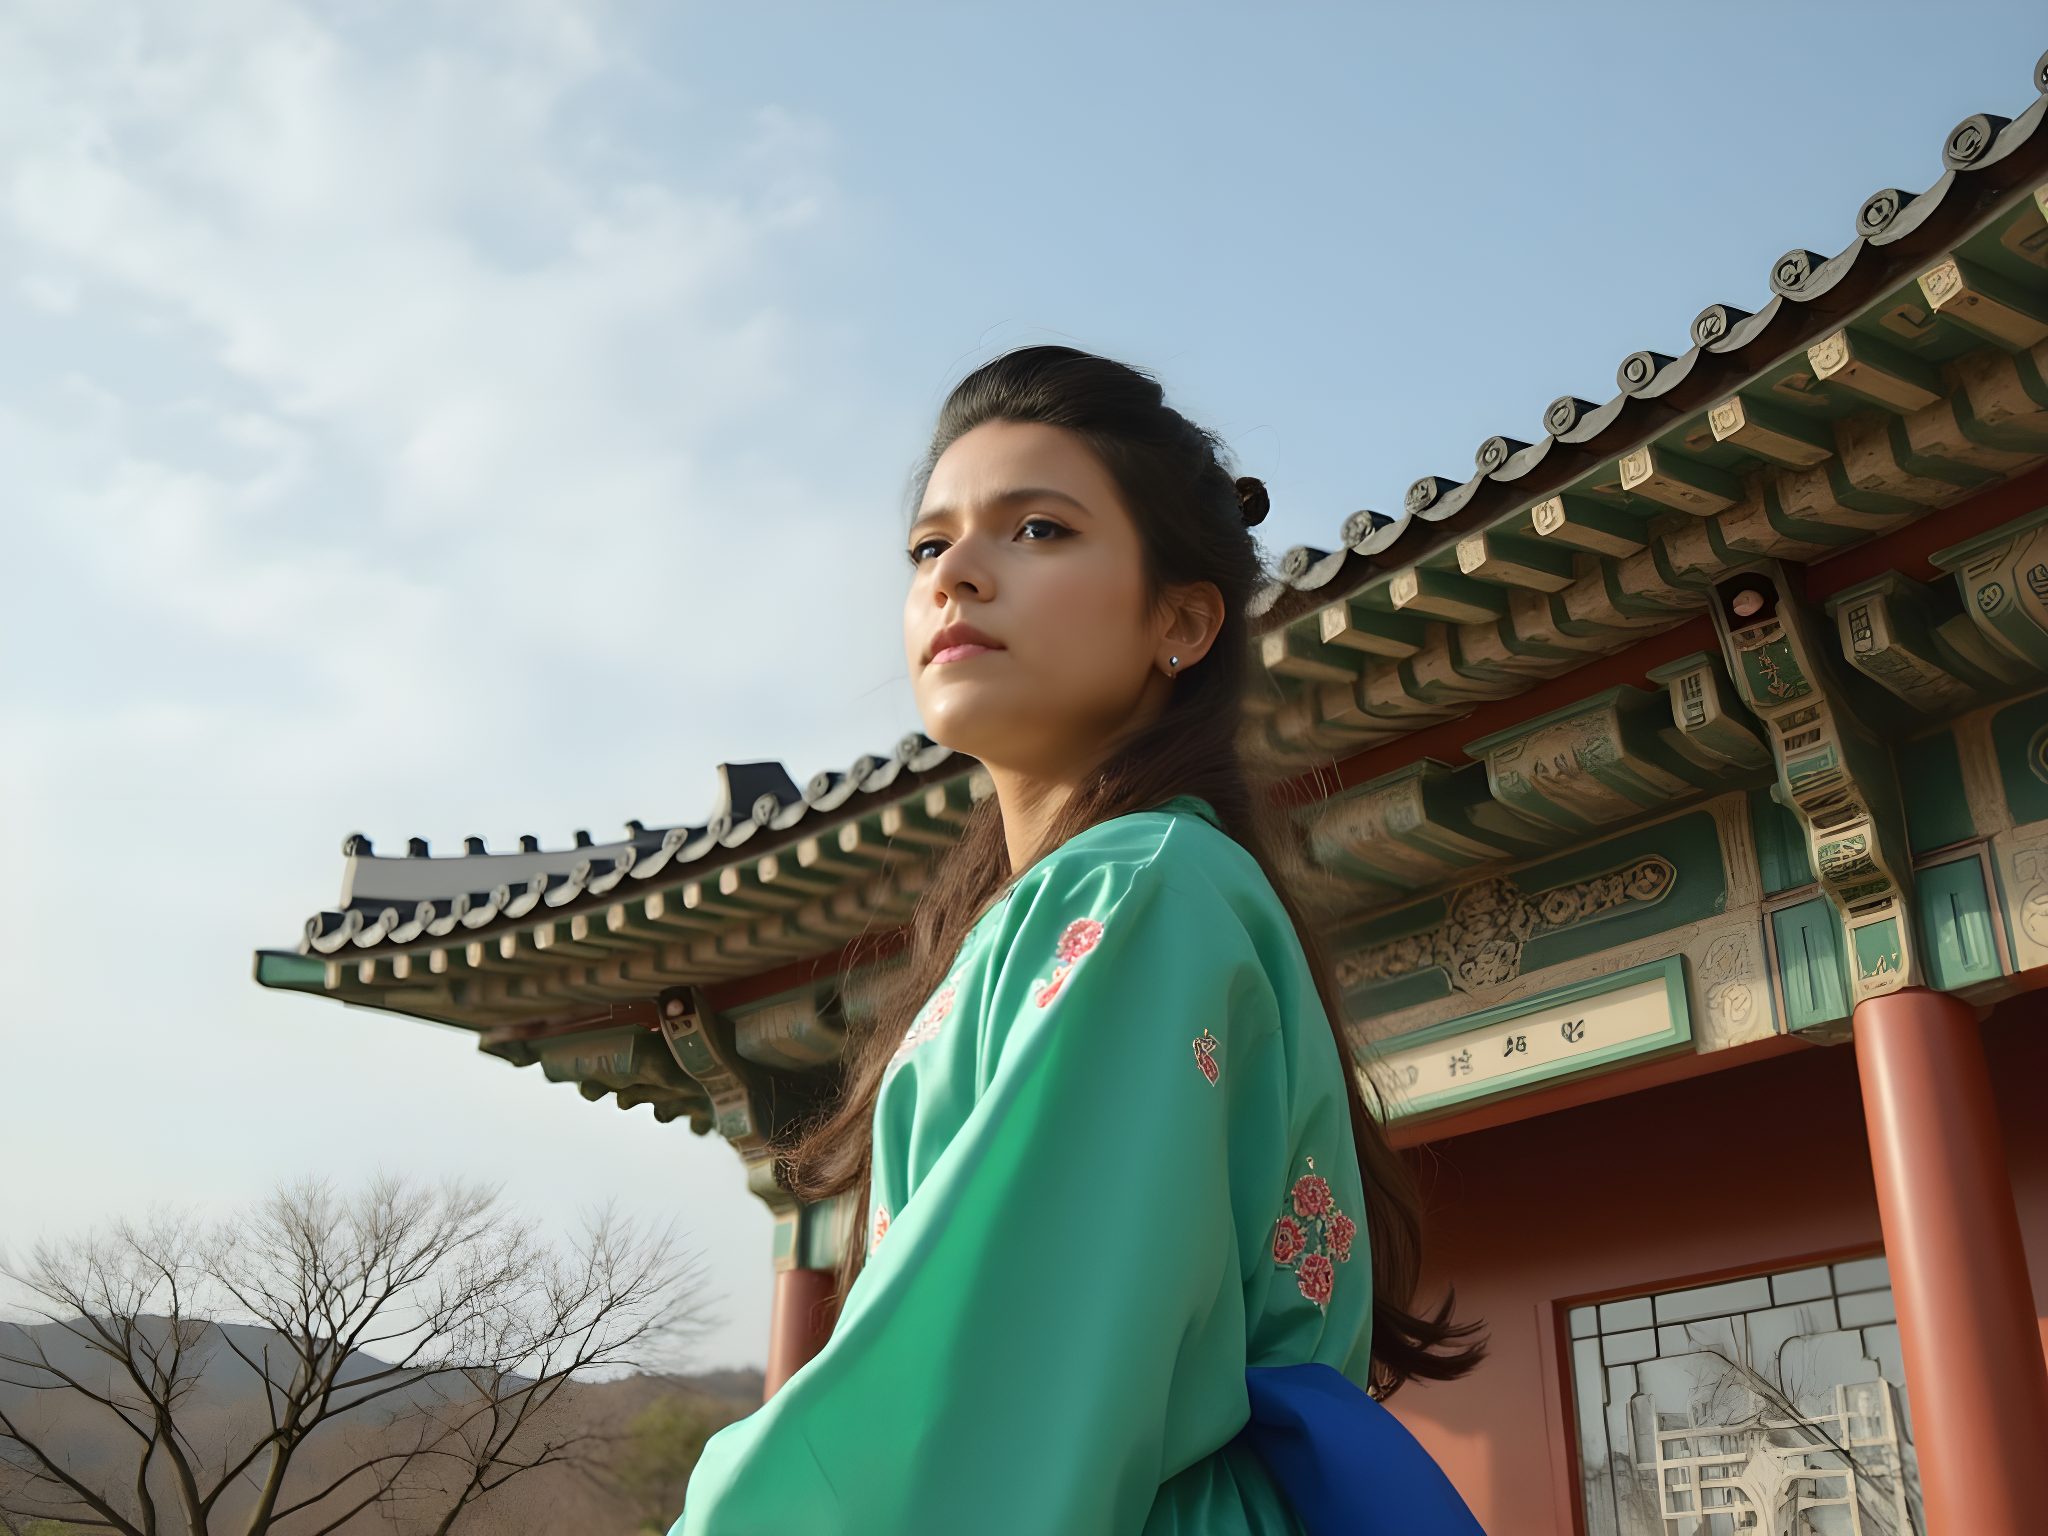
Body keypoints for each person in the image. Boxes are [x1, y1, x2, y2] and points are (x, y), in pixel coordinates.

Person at [678, 347, 1484, 1535]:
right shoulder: (1101, 899)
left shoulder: (1137, 890)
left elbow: (997, 1374)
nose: (955, 573)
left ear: (1181, 620)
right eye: (926, 546)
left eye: (1037, 530)